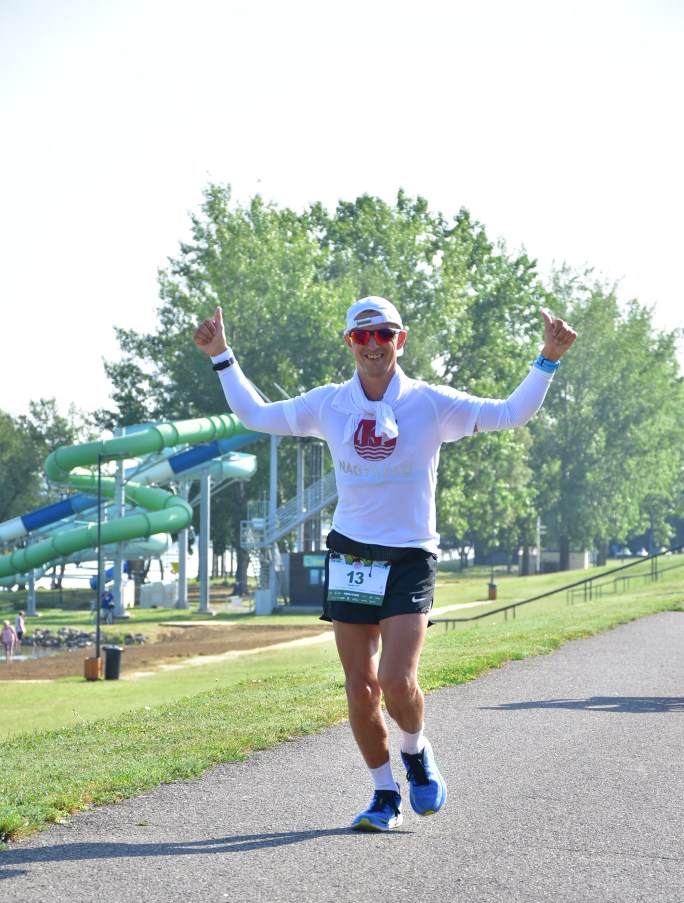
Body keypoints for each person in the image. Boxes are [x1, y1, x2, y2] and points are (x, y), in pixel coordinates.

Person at [194, 296, 577, 831]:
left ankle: (415, 751)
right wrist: (221, 355)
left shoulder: (430, 403)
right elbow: (255, 414)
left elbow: (512, 413)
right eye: (362, 335)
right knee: (360, 687)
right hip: (352, 552)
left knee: (396, 681)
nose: (373, 345)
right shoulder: (330, 404)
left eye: (384, 334)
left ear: (401, 340)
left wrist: (548, 359)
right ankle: (383, 794)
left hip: (410, 554)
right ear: (349, 343)